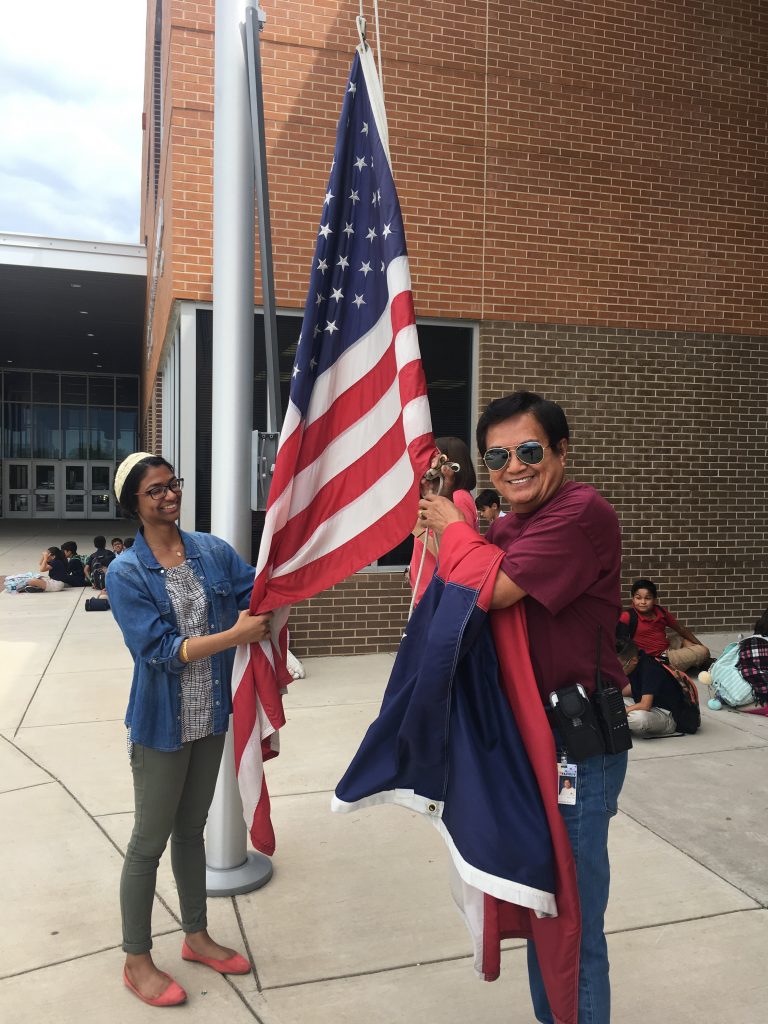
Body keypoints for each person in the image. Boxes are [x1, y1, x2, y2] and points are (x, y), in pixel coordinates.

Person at [419, 390, 627, 1024]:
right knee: (541, 905)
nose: (514, 465)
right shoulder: (508, 526)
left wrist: (454, 533)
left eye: (530, 450)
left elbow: (493, 587)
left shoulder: (580, 514)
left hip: (573, 751)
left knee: (572, 924)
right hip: (522, 747)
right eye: (498, 455)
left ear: (562, 451)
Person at [107, 452, 272, 1007]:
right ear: (134, 502)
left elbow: (259, 592)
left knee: (191, 832)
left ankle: (196, 936)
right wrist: (235, 636)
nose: (169, 496)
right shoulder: (125, 571)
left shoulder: (210, 551)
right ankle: (136, 958)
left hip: (210, 718)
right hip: (161, 726)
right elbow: (158, 651)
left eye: (172, 485)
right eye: (155, 491)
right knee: (147, 843)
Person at [409, 436, 478, 606]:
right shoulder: (446, 499)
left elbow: (459, 554)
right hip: (427, 597)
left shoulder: (459, 497)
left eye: (434, 458)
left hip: (436, 600)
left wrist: (418, 530)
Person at [618, 578, 709, 671]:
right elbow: (620, 642)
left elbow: (681, 628)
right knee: (703, 652)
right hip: (656, 658)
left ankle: (687, 662)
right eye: (638, 598)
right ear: (633, 599)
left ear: (654, 600)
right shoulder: (627, 616)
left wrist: (700, 645)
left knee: (684, 640)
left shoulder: (661, 611)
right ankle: (672, 666)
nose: (643, 602)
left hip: (666, 648)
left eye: (648, 598)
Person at [618, 640, 684, 736]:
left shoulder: (650, 670)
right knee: (612, 702)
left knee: (639, 719)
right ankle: (617, 720)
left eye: (621, 667)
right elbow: (629, 690)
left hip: (666, 715)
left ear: (633, 661)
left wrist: (620, 713)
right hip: (646, 704)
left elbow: (645, 705)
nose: (619, 671)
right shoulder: (636, 664)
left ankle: (614, 721)